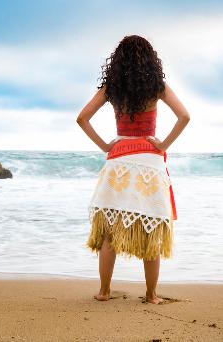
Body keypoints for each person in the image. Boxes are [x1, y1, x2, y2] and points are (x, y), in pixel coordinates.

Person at [76, 35, 190, 304]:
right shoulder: (156, 86)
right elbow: (184, 116)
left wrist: (106, 145)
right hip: (149, 160)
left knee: (108, 233)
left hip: (118, 160)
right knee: (151, 233)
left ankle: (104, 292)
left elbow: (82, 118)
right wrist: (163, 144)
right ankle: (151, 295)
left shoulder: (112, 87)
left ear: (117, 61)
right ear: (150, 59)